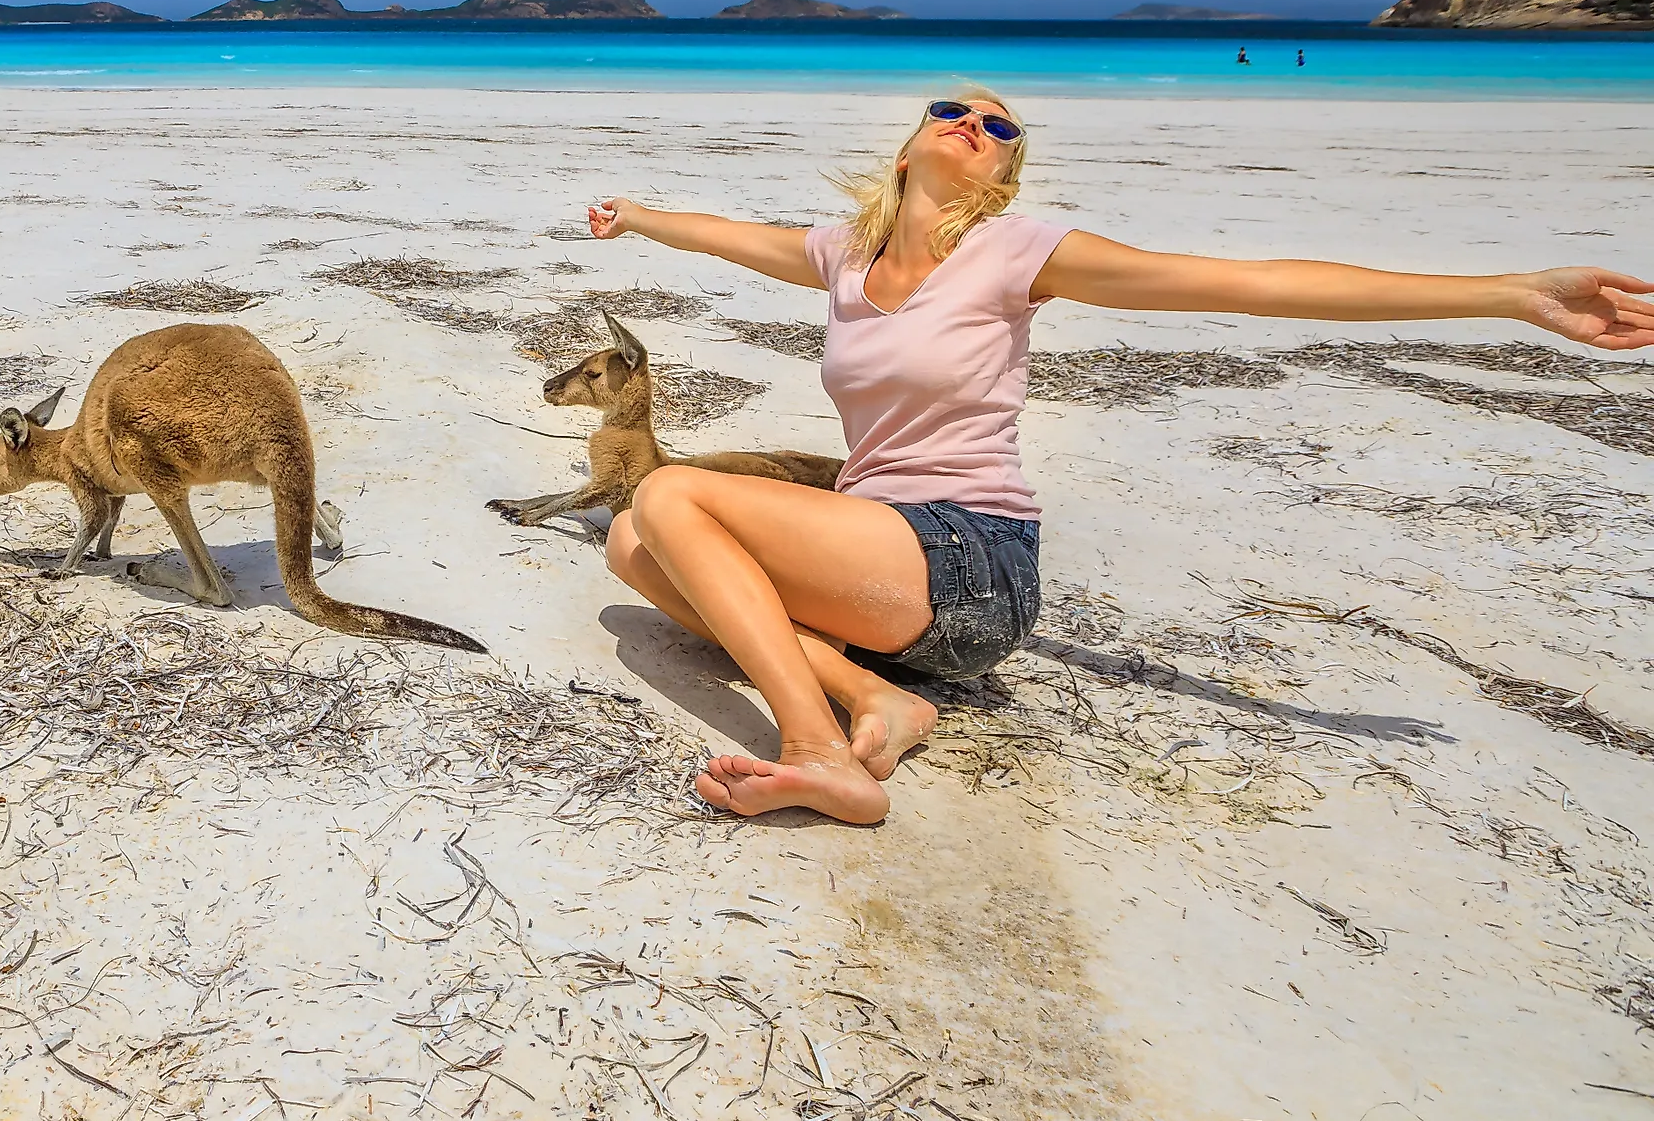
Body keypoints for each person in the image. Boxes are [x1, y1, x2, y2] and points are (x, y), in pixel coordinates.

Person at [586, 91, 1652, 827]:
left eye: (996, 125)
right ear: (908, 145)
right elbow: (725, 232)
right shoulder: (845, 257)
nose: (971, 123)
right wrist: (636, 216)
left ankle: (818, 749)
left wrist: (1509, 293)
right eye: (950, 111)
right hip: (879, 578)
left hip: (970, 561)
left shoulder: (1016, 251)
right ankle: (886, 703)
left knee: (672, 491)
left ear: (1002, 172)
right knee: (635, 544)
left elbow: (1251, 282)